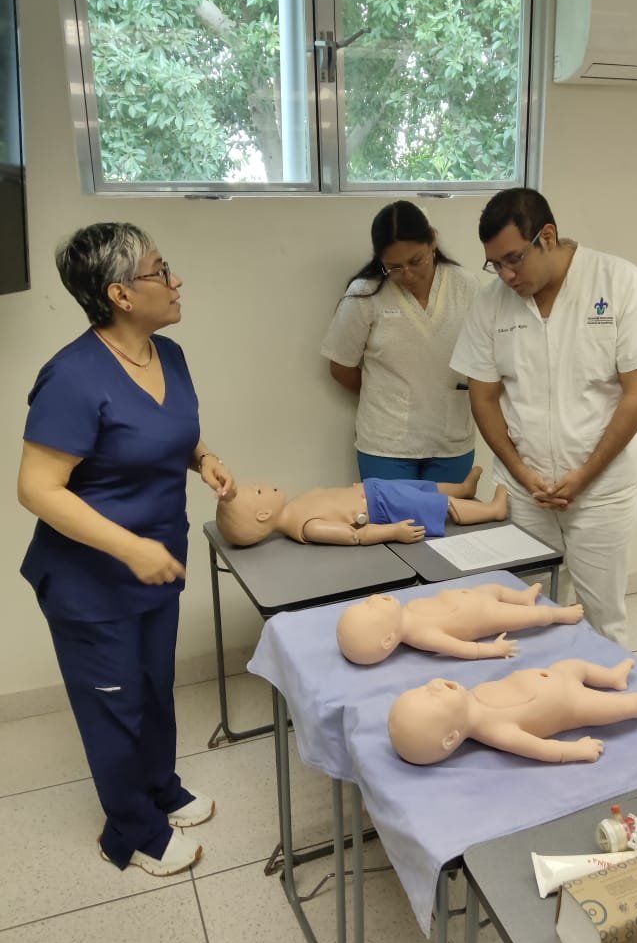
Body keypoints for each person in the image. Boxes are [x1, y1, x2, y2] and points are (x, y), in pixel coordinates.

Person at [17, 222, 237, 877]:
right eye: (160, 271)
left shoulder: (168, 355)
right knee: (113, 704)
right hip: (91, 581)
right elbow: (37, 489)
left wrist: (205, 458)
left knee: (152, 688)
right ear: (120, 294)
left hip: (155, 565)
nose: (176, 280)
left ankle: (161, 789)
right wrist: (128, 548)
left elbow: (167, 432)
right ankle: (132, 831)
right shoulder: (72, 377)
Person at [450, 188, 637, 647]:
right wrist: (520, 472)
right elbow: (484, 398)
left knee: (602, 617)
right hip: (526, 490)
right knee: (523, 610)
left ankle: (603, 687)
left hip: (601, 491)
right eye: (495, 264)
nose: (506, 275)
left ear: (547, 237)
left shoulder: (620, 283)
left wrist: (585, 474)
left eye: (514, 259)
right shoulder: (492, 303)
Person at [321, 200, 479, 483]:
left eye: (416, 261)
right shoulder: (364, 294)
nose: (407, 274)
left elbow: (484, 358)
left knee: (450, 513)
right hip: (386, 446)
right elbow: (341, 367)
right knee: (389, 514)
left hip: (451, 440)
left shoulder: (465, 286)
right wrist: (388, 395)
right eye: (393, 267)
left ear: (433, 241)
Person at [387, 658, 637, 765]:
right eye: (433, 697)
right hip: (572, 702)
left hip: (556, 674)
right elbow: (540, 749)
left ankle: (612, 677)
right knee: (623, 706)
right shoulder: (494, 730)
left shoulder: (470, 699)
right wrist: (575, 751)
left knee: (574, 665)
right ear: (451, 738)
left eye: (423, 688)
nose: (434, 684)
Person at [215, 466, 507, 547]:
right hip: (382, 506)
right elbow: (355, 535)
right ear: (263, 514)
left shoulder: (296, 506)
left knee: (422, 488)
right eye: (258, 491)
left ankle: (464, 489)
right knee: (436, 505)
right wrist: (393, 532)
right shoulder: (308, 527)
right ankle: (493, 511)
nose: (263, 484)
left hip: (374, 489)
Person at [336, 582, 583, 664]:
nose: (372, 598)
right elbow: (462, 649)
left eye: (365, 603)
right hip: (487, 614)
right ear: (388, 639)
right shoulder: (420, 634)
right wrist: (493, 650)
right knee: (535, 616)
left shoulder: (405, 613)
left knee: (495, 588)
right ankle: (560, 615)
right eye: (371, 608)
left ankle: (522, 598)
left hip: (475, 596)